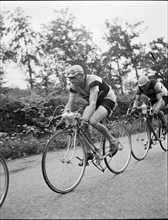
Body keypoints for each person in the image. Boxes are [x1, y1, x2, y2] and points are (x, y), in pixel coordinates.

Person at [63, 64, 118, 165]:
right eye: (70, 78)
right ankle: (89, 153)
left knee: (92, 121)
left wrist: (85, 118)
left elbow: (92, 104)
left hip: (107, 99)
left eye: (74, 77)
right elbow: (70, 103)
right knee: (83, 125)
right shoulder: (74, 86)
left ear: (82, 75)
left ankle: (113, 140)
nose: (72, 80)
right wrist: (64, 115)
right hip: (95, 102)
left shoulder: (92, 80)